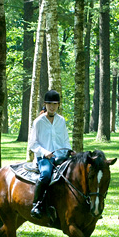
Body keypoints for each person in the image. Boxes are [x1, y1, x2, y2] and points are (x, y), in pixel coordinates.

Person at [27, 89, 74, 219]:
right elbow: (32, 144)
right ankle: (37, 204)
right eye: (49, 104)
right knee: (46, 175)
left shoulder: (61, 121)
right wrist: (45, 152)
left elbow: (65, 140)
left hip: (61, 156)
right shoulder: (38, 122)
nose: (52, 107)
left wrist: (69, 150)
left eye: (55, 104)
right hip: (44, 158)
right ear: (45, 104)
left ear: (58, 105)